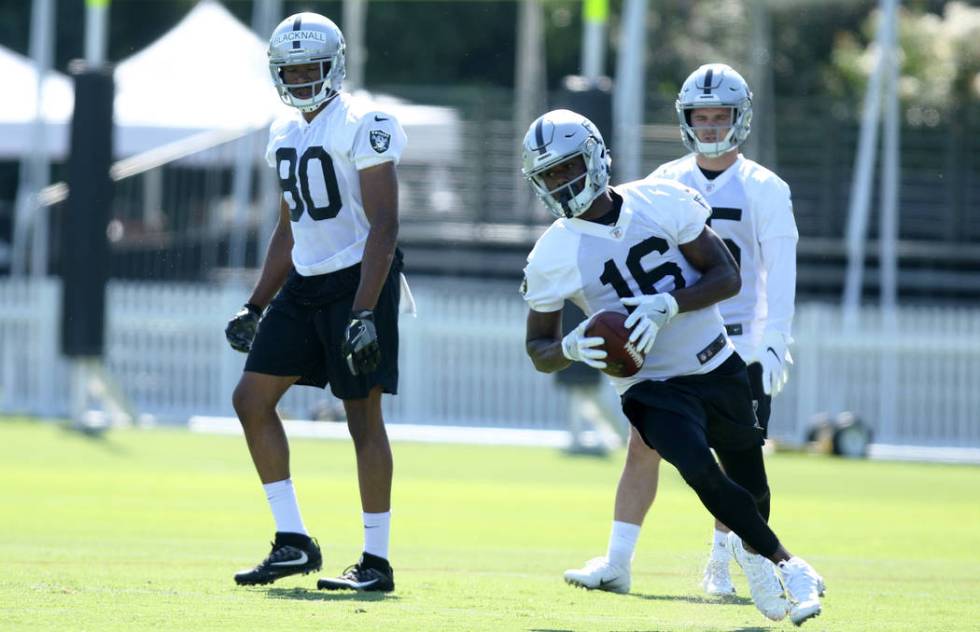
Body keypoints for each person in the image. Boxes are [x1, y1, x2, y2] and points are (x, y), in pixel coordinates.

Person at [519, 108, 823, 625]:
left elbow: (727, 277)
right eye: (548, 175)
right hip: (648, 384)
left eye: (567, 167)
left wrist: (671, 304)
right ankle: (788, 564)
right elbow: (538, 349)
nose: (561, 183)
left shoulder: (658, 199)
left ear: (593, 157)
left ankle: (758, 567)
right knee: (698, 469)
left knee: (751, 483)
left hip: (714, 360)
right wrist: (568, 348)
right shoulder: (553, 252)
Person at [224, 12, 406, 593]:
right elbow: (289, 229)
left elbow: (384, 224)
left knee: (362, 419)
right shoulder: (283, 130)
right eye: (291, 69)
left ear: (336, 65)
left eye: (312, 67)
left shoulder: (364, 121)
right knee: (251, 399)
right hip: (304, 282)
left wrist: (363, 311)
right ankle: (293, 540)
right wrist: (255, 304)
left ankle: (375, 562)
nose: (302, 78)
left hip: (358, 279)